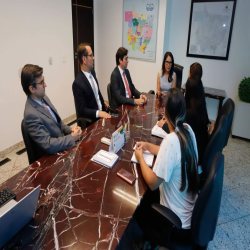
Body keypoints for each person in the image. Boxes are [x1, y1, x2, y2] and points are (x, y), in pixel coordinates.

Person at [134, 88, 199, 236]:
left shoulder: (170, 141)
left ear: (165, 112)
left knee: (138, 203)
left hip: (175, 223)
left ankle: (147, 239)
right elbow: (173, 155)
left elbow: (152, 183)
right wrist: (148, 146)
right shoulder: (188, 130)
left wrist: (140, 158)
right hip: (188, 212)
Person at [159, 63, 212, 165]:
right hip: (199, 148)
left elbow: (178, 136)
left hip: (193, 157)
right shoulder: (200, 104)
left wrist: (164, 125)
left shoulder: (190, 113)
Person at [21, 64, 82, 155]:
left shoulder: (44, 98)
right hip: (51, 159)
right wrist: (72, 138)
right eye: (41, 82)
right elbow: (48, 145)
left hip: (62, 147)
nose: (45, 85)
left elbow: (59, 124)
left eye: (44, 80)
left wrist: (72, 130)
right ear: (32, 88)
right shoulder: (31, 114)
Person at [72, 43, 111, 124]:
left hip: (103, 115)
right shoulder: (77, 83)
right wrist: (98, 113)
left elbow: (97, 93)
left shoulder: (92, 72)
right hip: (93, 121)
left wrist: (102, 103)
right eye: (91, 55)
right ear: (84, 59)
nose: (93, 58)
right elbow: (82, 110)